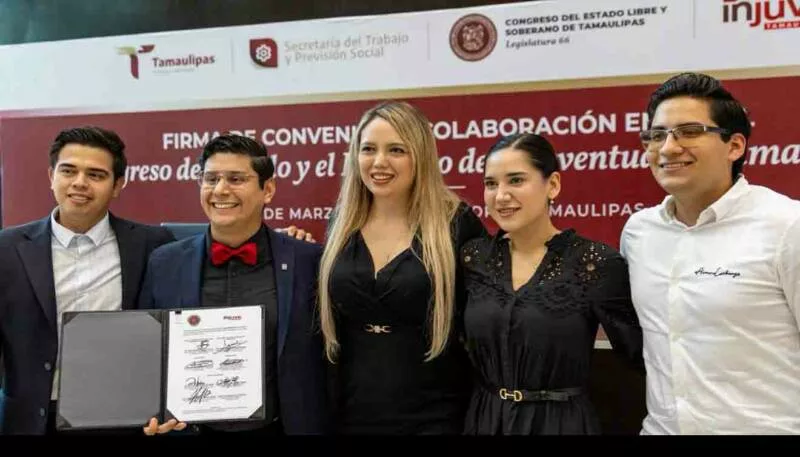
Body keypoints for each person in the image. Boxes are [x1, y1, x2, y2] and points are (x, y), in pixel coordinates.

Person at [620, 72, 800, 434]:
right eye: (657, 135)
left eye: (689, 131)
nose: (668, 148)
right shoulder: (639, 232)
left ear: (735, 146)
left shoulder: (787, 226)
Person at [138, 134, 329, 435]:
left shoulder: (309, 261)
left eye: (236, 179)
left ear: (268, 189)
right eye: (211, 179)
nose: (221, 190)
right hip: (190, 430)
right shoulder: (164, 263)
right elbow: (147, 353)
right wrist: (152, 413)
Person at [317, 101, 485, 434]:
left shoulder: (456, 223)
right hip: (352, 408)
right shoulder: (341, 222)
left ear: (419, 156)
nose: (379, 162)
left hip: (436, 410)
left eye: (396, 150)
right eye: (368, 149)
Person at [460, 133, 643, 435]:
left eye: (516, 180)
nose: (501, 195)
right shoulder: (472, 257)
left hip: (560, 423)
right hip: (485, 420)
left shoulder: (594, 262)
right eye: (491, 184)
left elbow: (641, 354)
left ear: (553, 185)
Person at [0, 126, 175, 434]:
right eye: (68, 171)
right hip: (33, 420)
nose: (79, 183)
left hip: (123, 417)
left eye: (96, 175)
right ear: (51, 176)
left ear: (118, 185)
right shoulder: (7, 248)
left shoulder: (152, 245)